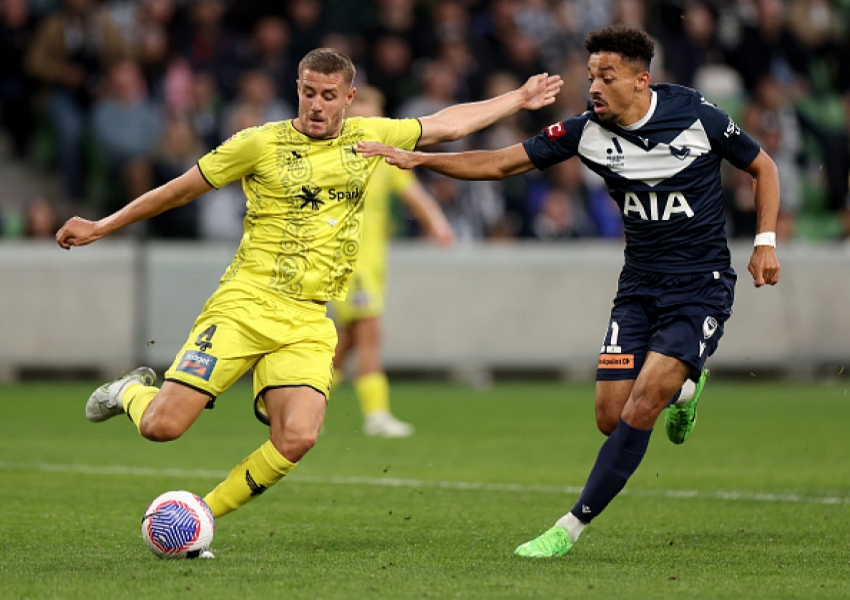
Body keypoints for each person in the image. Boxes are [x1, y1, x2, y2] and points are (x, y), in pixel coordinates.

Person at [55, 48, 562, 533]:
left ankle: (199, 516)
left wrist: (518, 97)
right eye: (309, 93)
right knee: (162, 427)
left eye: (328, 95)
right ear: (297, 90)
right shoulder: (258, 142)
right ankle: (130, 392)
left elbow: (448, 123)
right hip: (245, 305)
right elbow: (179, 189)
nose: (317, 105)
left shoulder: (369, 138)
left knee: (297, 437)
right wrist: (102, 225)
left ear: (349, 97)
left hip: (307, 320)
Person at [357, 25, 781, 558]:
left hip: (700, 286)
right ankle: (688, 390)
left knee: (643, 402)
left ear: (641, 81)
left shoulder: (697, 115)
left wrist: (764, 240)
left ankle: (570, 525)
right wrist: (421, 161)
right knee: (611, 415)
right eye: (591, 76)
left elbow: (762, 166)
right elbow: (500, 161)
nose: (595, 87)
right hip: (638, 286)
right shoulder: (584, 132)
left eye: (607, 77)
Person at [329, 85, 455, 438]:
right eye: (360, 118)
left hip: (371, 263)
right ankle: (376, 415)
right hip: (348, 263)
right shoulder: (338, 158)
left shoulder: (383, 158)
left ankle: (303, 405)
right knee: (369, 334)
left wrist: (438, 224)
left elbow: (413, 194)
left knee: (349, 341)